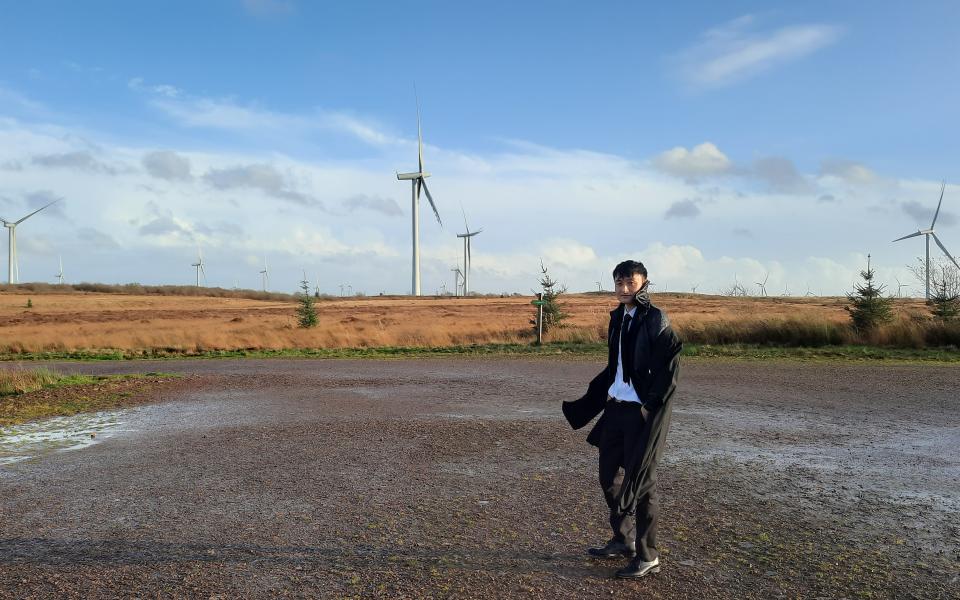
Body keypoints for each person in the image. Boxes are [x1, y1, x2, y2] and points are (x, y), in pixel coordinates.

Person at [562, 259, 682, 579]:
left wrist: (649, 405)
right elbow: (615, 365)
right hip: (615, 408)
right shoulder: (617, 318)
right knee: (608, 478)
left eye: (630, 282)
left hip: (640, 413)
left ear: (644, 283)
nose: (624, 289)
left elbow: (671, 366)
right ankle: (624, 538)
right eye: (619, 283)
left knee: (642, 485)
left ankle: (647, 555)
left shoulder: (656, 319)